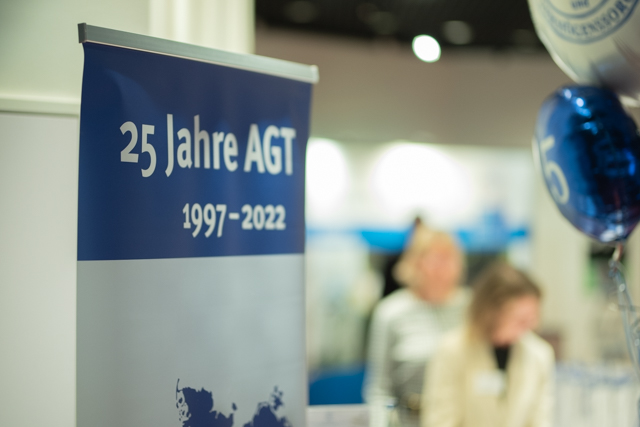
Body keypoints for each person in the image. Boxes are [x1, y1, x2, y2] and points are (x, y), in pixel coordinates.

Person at [421, 262, 554, 427]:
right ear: (492, 313)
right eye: (521, 319)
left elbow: (540, 420)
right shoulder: (452, 350)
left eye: (532, 317)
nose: (530, 325)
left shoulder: (539, 354)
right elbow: (441, 420)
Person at [365, 223, 469, 427]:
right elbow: (379, 390)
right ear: (416, 262)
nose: (444, 265)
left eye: (449, 257)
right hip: (410, 420)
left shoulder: (471, 308)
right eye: (436, 257)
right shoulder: (391, 312)